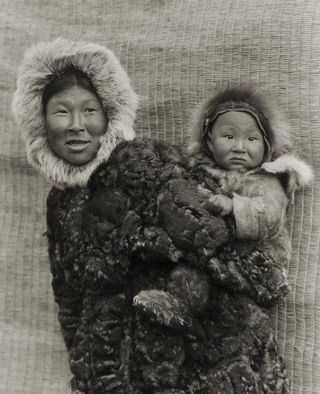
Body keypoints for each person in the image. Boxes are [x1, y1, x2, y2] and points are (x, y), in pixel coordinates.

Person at [12, 39, 307, 393]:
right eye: (61, 112)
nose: (77, 125)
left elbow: (232, 251)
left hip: (204, 356)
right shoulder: (59, 204)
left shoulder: (143, 163)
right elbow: (69, 298)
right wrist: (85, 365)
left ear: (109, 115)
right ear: (39, 122)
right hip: (110, 369)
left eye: (90, 110)